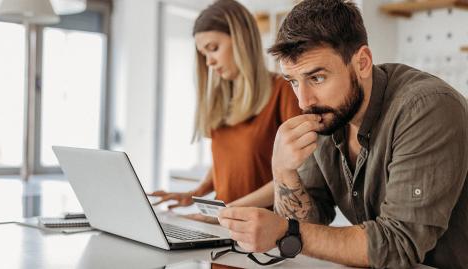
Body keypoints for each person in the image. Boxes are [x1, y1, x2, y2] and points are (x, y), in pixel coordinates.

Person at [217, 0, 468, 268]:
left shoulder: (426, 108)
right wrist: (282, 171)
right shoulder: (329, 116)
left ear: (362, 63)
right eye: (293, 81)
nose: (304, 101)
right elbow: (310, 224)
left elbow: (398, 245)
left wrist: (285, 231)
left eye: (317, 78)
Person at [149, 0, 300, 221]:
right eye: (204, 54)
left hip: (263, 230)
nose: (209, 61)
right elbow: (226, 161)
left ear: (241, 40)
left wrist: (227, 210)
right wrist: (196, 193)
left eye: (213, 48)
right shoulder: (222, 100)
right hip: (222, 225)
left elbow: (298, 176)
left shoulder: (283, 92)